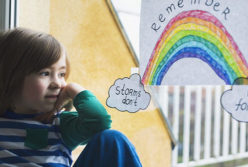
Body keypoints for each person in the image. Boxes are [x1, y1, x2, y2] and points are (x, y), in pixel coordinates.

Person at [0, 28, 142, 167]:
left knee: (113, 139)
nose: (57, 83)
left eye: (62, 74)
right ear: (11, 77)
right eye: (45, 73)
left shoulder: (59, 124)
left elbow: (99, 122)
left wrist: (75, 90)